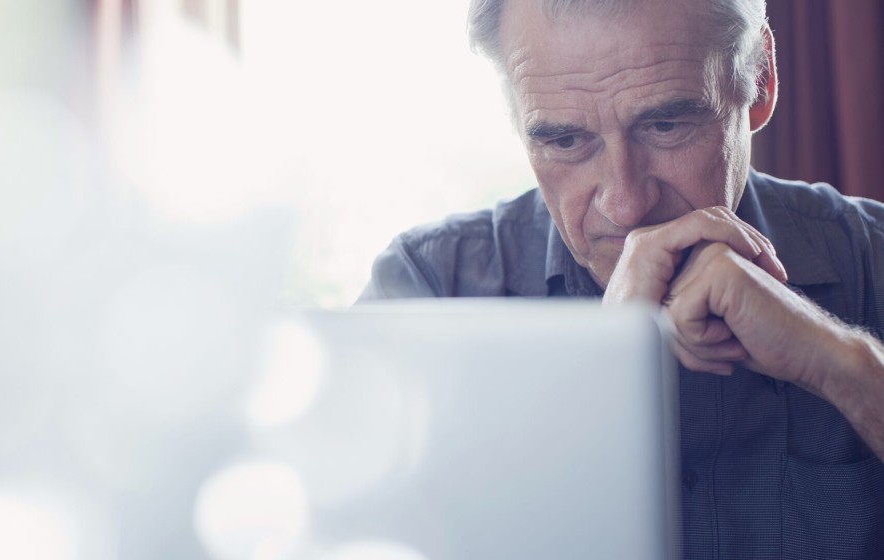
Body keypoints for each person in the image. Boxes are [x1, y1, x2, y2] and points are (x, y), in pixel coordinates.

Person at [359, 0, 884, 556]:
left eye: (666, 124)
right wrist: (600, 377)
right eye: (565, 141)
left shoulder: (871, 255)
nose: (626, 205)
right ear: (515, 116)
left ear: (759, 80)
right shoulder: (429, 289)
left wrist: (839, 364)